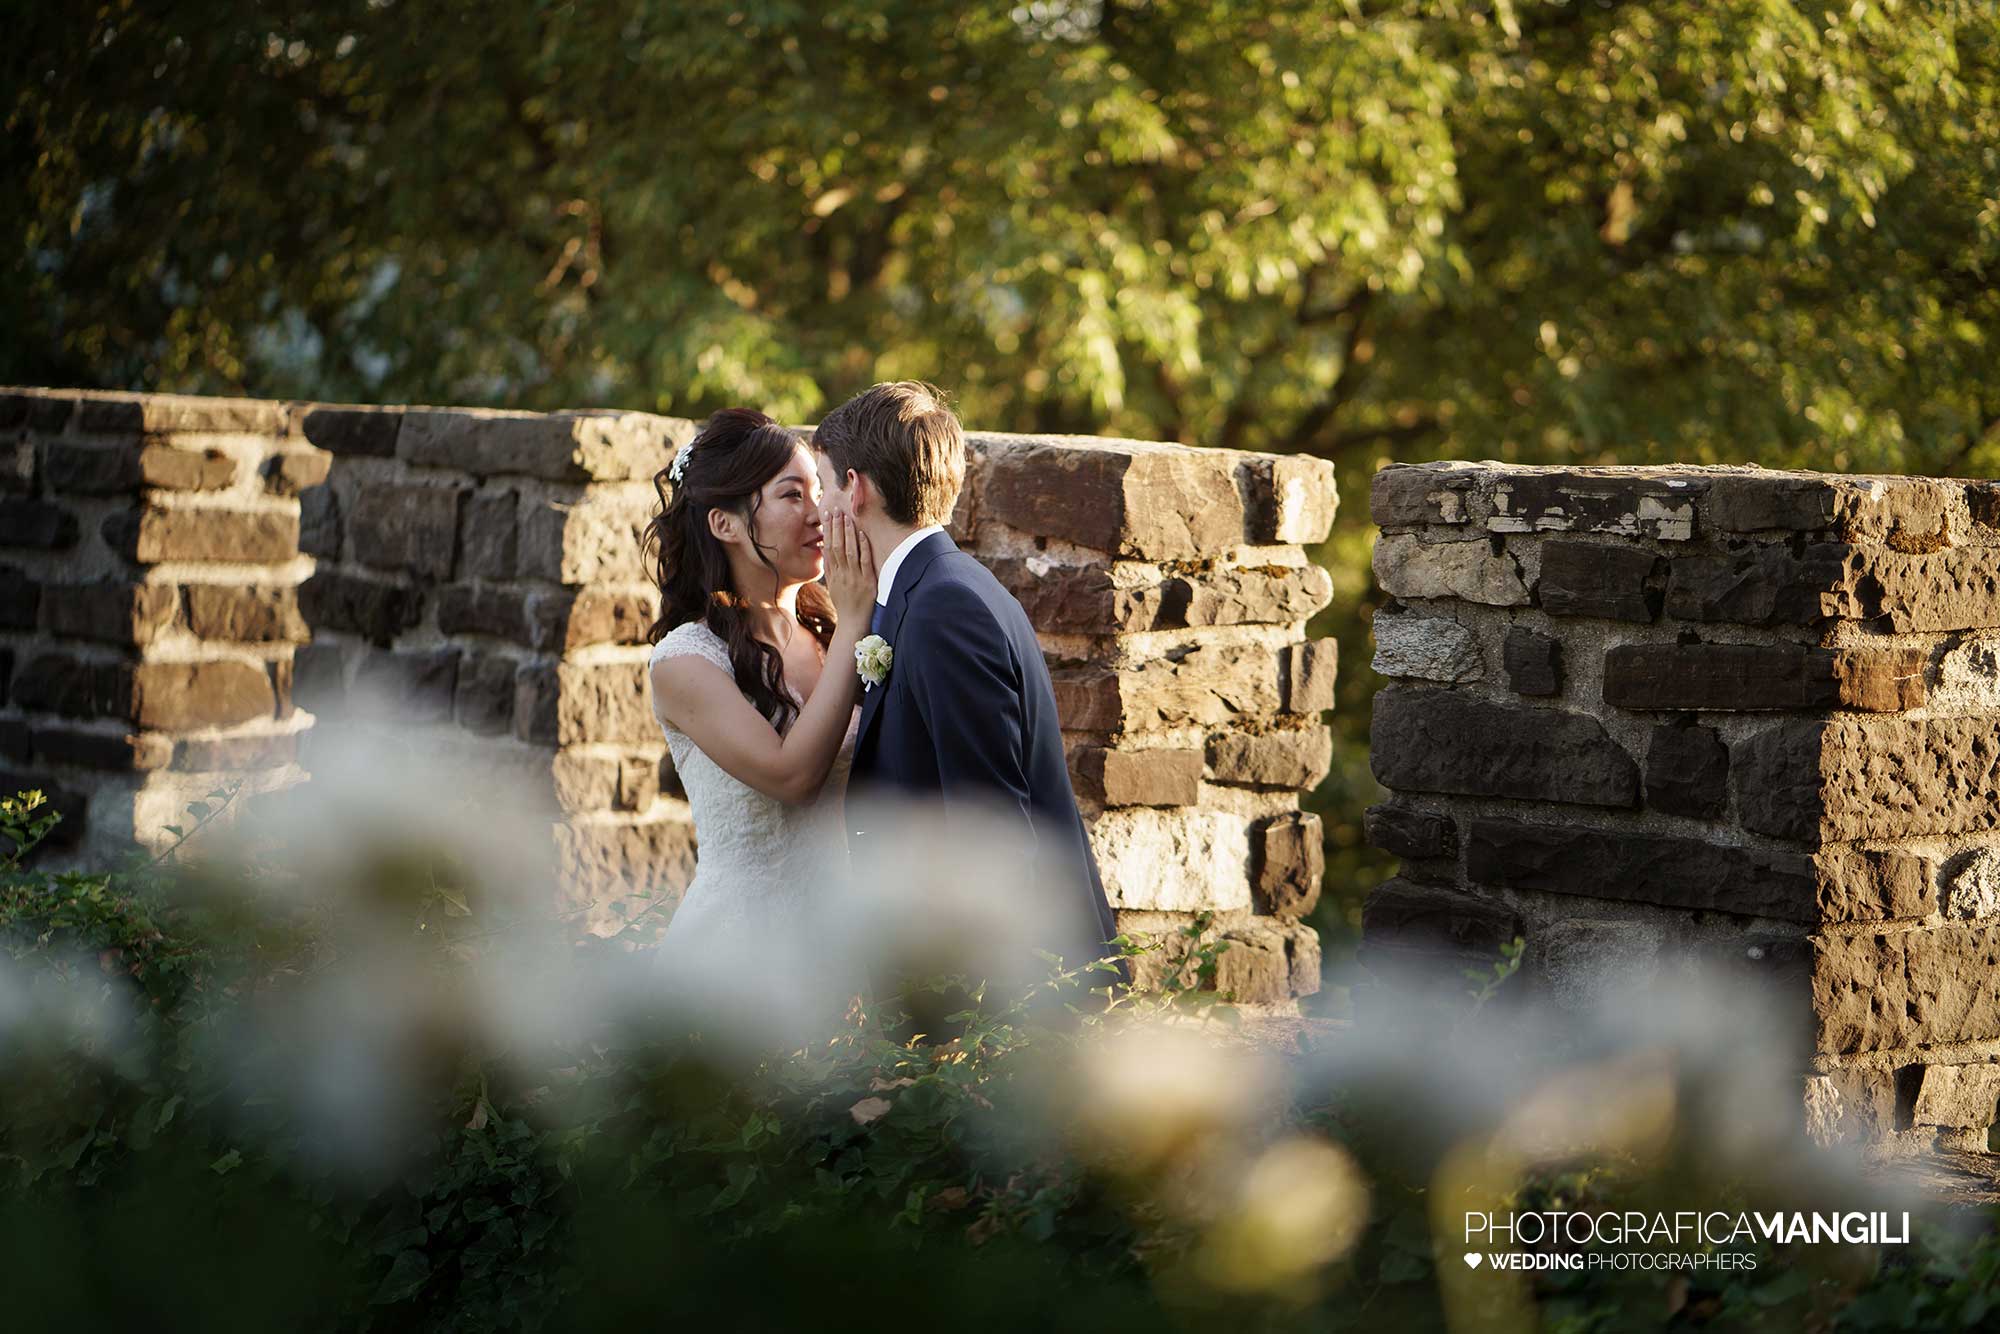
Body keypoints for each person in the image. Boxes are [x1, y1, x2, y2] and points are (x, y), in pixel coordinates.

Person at [811, 381, 1133, 1005]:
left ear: (855, 490)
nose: (818, 510)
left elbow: (991, 831)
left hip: (1007, 1002)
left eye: (823, 485)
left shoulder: (944, 607)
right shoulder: (932, 589)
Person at [642, 409, 877, 1019]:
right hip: (738, 966)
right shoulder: (686, 661)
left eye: (820, 493)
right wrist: (857, 625)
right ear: (725, 523)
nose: (820, 513)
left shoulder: (831, 633)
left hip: (848, 957)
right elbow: (792, 779)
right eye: (791, 495)